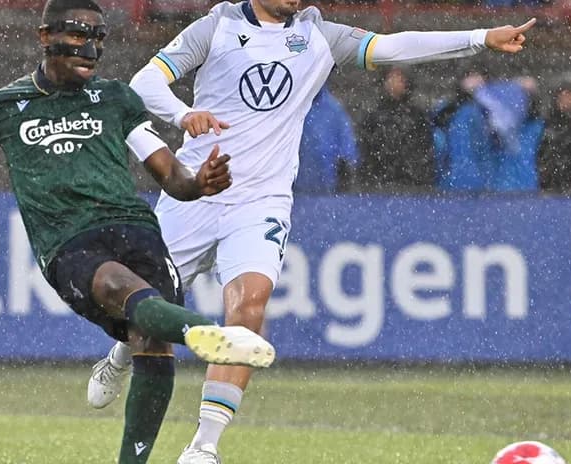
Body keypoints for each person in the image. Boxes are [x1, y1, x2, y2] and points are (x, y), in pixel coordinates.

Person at [87, 1, 536, 462]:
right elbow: (143, 83)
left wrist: (480, 36)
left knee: (249, 307)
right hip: (194, 191)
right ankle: (120, 356)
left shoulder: (320, 35)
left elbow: (394, 46)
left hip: (261, 201)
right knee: (147, 308)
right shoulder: (217, 26)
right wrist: (183, 115)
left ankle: (204, 446)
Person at [0, 1, 276, 463]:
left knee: (151, 338)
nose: (90, 48)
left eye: (100, 38)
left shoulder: (117, 98)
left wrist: (199, 184)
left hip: (136, 228)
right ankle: (208, 332)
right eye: (79, 34)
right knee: (115, 287)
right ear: (45, 36)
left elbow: (170, 173)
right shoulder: (3, 106)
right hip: (68, 239)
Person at [358, 67, 435, 190]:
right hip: (380, 184)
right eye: (391, 77)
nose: (395, 81)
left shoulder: (417, 116)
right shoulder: (374, 117)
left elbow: (425, 151)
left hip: (412, 185)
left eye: (399, 77)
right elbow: (366, 151)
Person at [433, 68, 496, 192]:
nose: (475, 82)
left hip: (464, 180)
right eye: (471, 76)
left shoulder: (486, 111)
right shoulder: (450, 109)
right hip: (459, 179)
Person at [294, 84, 359, 193]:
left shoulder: (334, 110)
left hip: (328, 188)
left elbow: (348, 150)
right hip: (297, 189)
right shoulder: (294, 107)